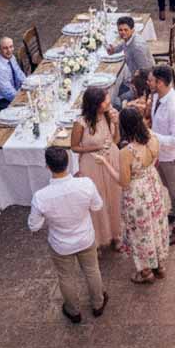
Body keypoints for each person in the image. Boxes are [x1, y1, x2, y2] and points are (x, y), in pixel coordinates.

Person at [28, 145, 109, 324]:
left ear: (47, 166)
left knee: (66, 277)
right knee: (92, 270)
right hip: (85, 238)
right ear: (68, 162)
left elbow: (34, 226)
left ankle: (73, 311)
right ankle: (98, 304)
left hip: (61, 244)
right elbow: (97, 206)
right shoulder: (85, 184)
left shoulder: (41, 196)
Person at [95, 108, 170, 284]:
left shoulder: (127, 152)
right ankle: (160, 267)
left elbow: (123, 182)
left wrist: (105, 162)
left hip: (137, 194)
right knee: (156, 225)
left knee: (140, 232)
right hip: (153, 186)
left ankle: (145, 273)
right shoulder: (153, 138)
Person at [69, 86, 122, 250]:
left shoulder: (108, 115)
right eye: (105, 101)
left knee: (114, 198)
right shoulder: (81, 123)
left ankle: (116, 235)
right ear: (95, 104)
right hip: (91, 164)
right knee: (96, 200)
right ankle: (98, 239)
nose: (108, 103)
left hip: (111, 159)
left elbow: (116, 140)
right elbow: (74, 147)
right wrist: (94, 148)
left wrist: (116, 124)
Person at [145, 65, 175, 245]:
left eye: (150, 80)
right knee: (169, 185)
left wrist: (152, 135)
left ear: (161, 83)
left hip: (173, 157)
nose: (148, 83)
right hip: (161, 153)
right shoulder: (157, 96)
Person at [105, 15, 155, 106]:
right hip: (134, 79)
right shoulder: (129, 38)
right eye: (120, 30)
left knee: (116, 100)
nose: (123, 32)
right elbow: (124, 44)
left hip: (142, 86)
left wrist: (134, 84)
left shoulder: (137, 47)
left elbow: (146, 71)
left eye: (125, 30)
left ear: (132, 30)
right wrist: (113, 50)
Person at [0, 36, 25, 113]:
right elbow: (8, 92)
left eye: (11, 47)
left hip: (14, 91)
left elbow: (19, 73)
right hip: (1, 100)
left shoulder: (11, 57)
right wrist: (23, 100)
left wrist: (29, 84)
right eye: (5, 48)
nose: (9, 50)